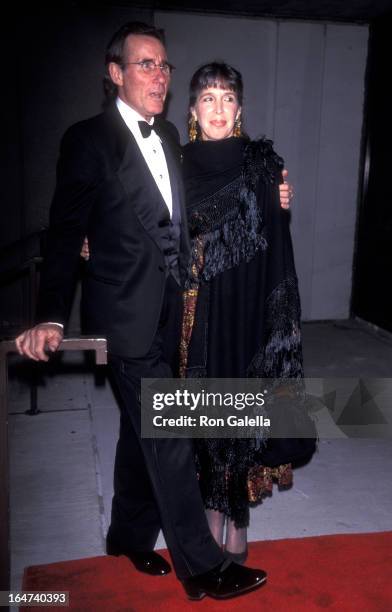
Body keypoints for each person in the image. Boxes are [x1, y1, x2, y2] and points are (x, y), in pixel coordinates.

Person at [15, 23, 270, 601]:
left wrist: (271, 188)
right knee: (171, 434)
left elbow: (198, 201)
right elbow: (63, 234)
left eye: (164, 66)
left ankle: (127, 535)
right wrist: (52, 315)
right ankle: (204, 568)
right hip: (124, 315)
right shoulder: (87, 140)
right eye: (145, 64)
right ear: (115, 74)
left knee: (140, 432)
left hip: (172, 314)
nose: (159, 76)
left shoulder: (174, 140)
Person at [179, 62, 304, 563]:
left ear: (240, 110)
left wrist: (280, 200)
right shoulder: (177, 163)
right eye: (207, 98)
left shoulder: (261, 164)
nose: (217, 108)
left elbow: (276, 241)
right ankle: (211, 510)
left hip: (248, 305)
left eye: (227, 98)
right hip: (196, 310)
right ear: (192, 110)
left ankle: (237, 515)